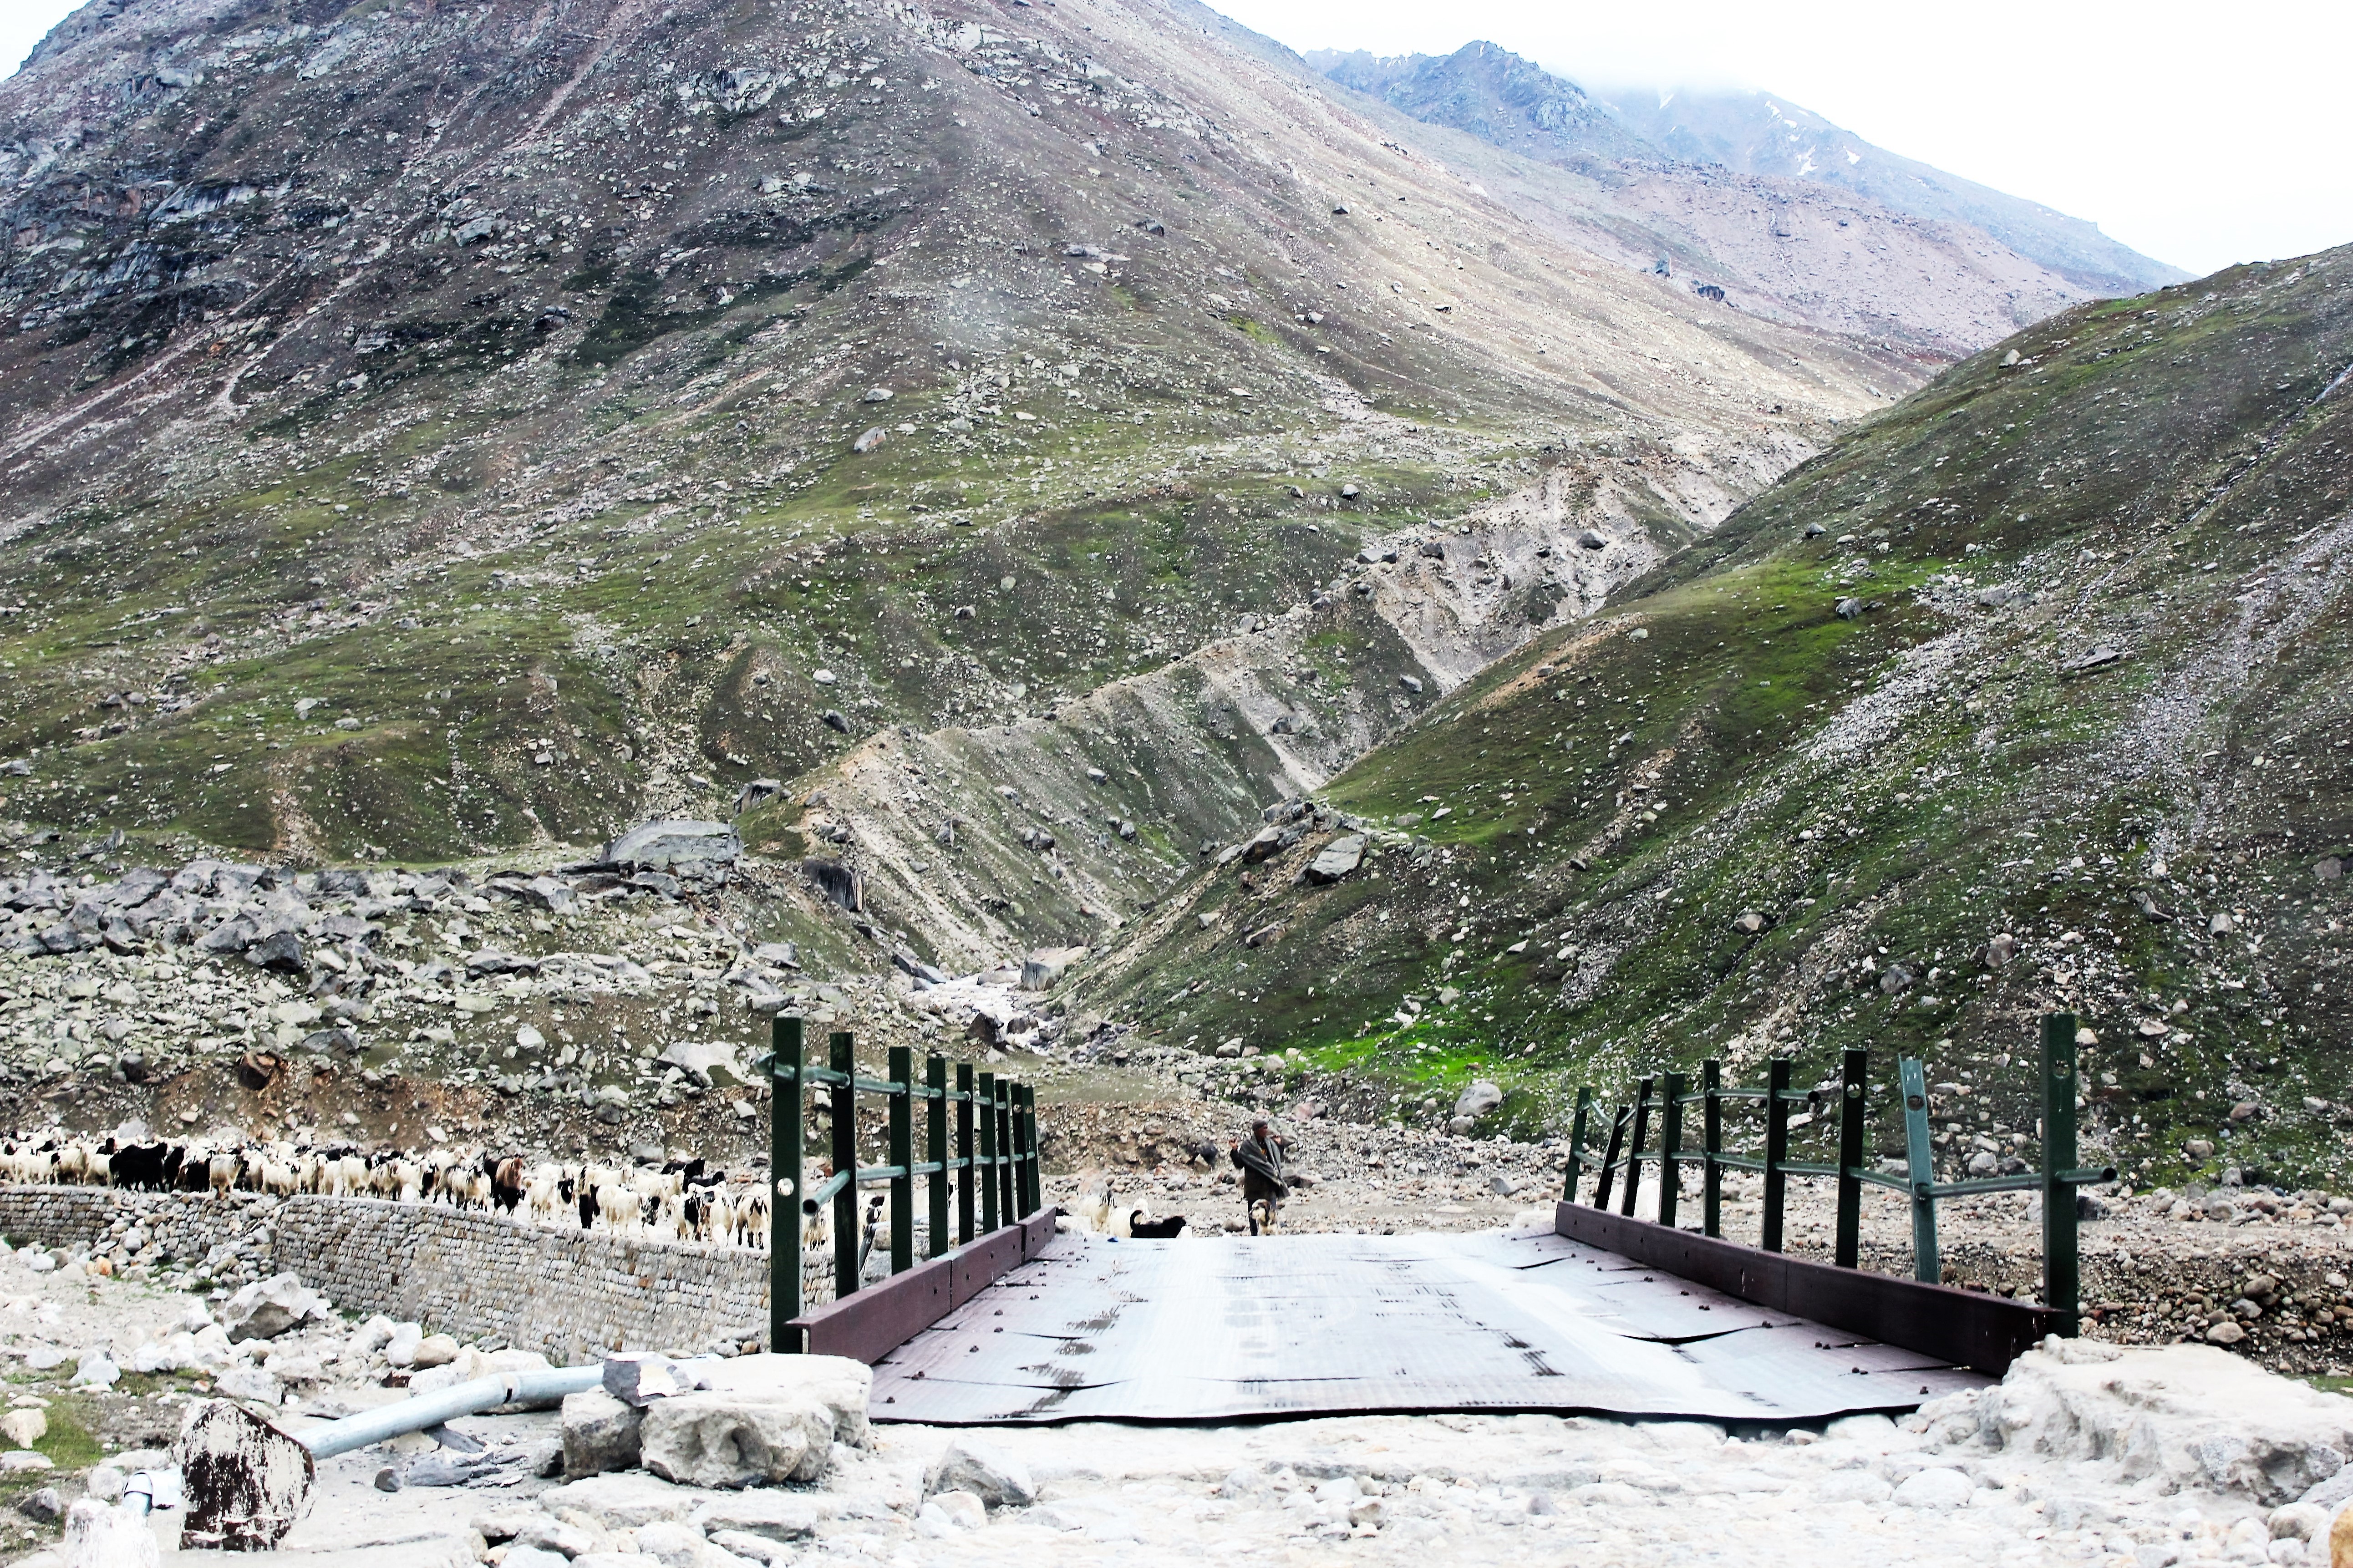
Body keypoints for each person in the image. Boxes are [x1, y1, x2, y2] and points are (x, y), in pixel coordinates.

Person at [1230, 1120, 1289, 1235]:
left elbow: (1276, 1159)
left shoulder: (1270, 1143)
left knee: (1272, 1214)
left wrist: (1279, 1145)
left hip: (1269, 1185)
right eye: (1264, 1128)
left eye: (1267, 1128)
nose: (1267, 1131)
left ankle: (1272, 1237)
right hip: (1254, 1187)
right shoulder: (1248, 1145)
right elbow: (1239, 1164)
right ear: (1257, 1130)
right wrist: (1234, 1151)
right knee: (1254, 1217)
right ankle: (1255, 1239)